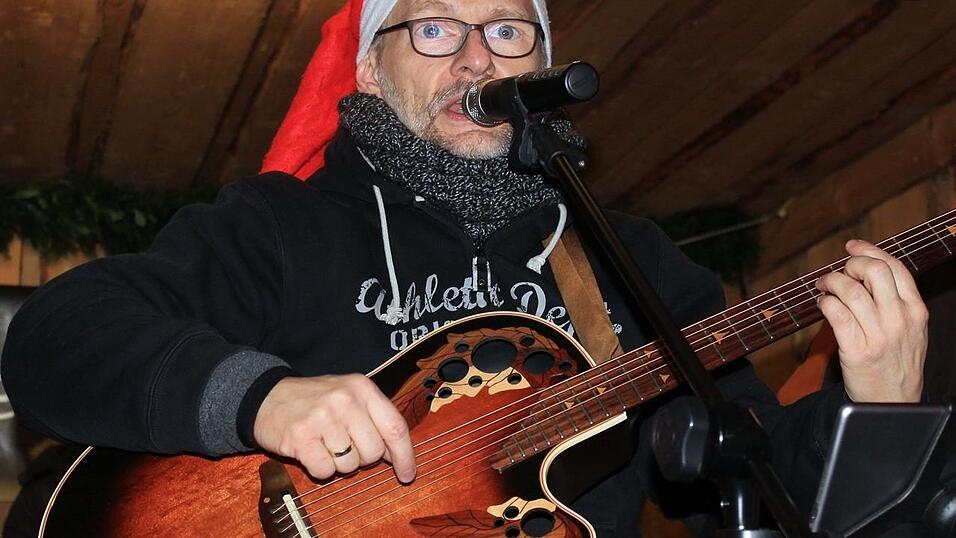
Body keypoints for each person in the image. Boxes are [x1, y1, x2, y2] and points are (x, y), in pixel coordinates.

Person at [0, 0, 929, 535]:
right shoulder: (279, 225)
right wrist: (260, 398)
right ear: (370, 69)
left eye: (509, 31)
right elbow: (54, 341)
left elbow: (760, 497)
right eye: (437, 28)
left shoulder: (630, 262)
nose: (479, 57)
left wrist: (878, 410)